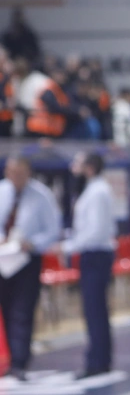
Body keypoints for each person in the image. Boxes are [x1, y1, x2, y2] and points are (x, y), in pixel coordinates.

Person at [56, 152, 117, 379]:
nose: (73, 168)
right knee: (94, 309)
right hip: (91, 254)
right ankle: (99, 358)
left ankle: (98, 361)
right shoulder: (91, 190)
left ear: (89, 167)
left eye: (78, 164)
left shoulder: (98, 192)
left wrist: (69, 246)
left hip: (96, 255)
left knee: (95, 309)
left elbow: (96, 231)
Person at [0, 156, 61, 381]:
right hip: (3, 259)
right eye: (11, 172)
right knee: (6, 310)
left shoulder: (42, 196)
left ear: (28, 172)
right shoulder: (2, 191)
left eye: (19, 172)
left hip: (27, 260)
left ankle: (20, 361)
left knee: (22, 311)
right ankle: (10, 358)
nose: (15, 177)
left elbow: (53, 230)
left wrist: (32, 243)